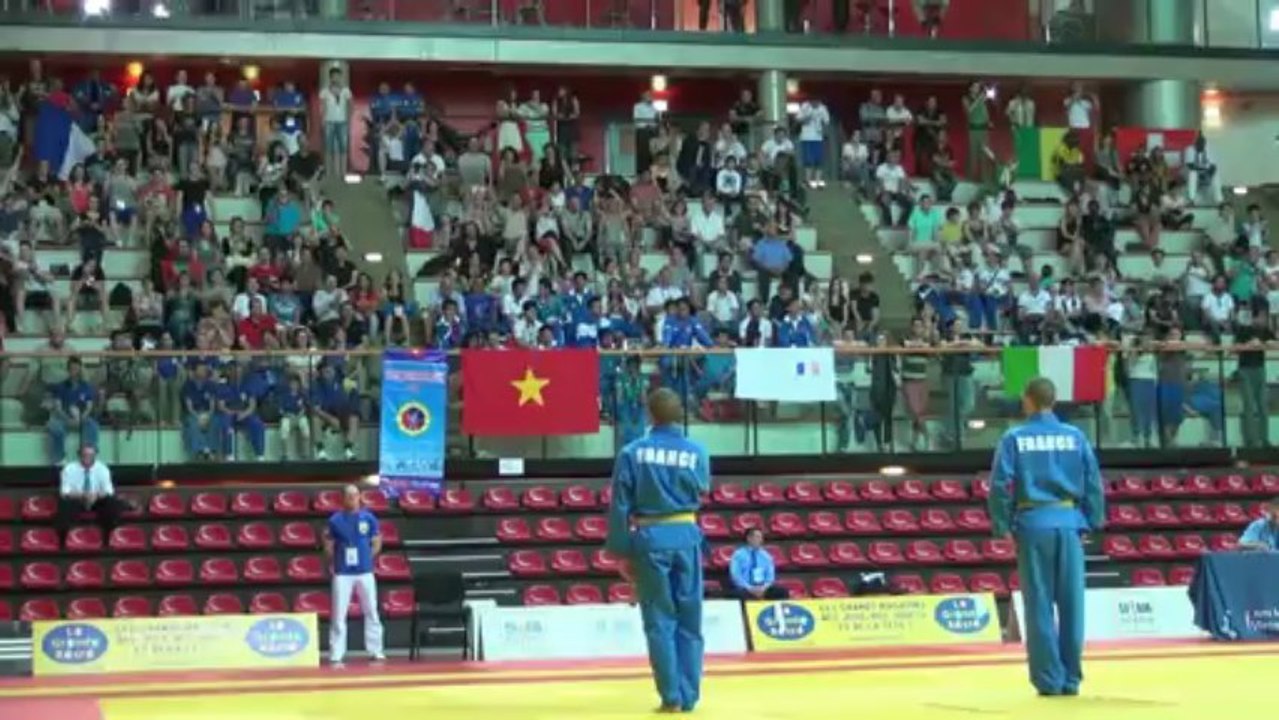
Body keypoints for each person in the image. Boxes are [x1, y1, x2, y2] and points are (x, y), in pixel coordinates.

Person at [988, 377, 1104, 698]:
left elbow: (999, 485)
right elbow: (1093, 482)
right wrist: (1090, 522)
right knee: (1072, 603)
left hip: (1032, 521)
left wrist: (1003, 525)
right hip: (1068, 521)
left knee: (1039, 604)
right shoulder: (1076, 436)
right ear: (1053, 401)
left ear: (1028, 400)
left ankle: (1048, 679)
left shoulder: (1014, 437)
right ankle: (1071, 678)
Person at [606, 388, 710, 714]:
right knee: (690, 620)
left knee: (660, 620)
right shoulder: (697, 451)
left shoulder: (632, 452)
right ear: (679, 414)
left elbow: (620, 504)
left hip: (651, 536)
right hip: (687, 533)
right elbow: (703, 490)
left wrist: (621, 552)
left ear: (649, 415)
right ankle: (690, 694)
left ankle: (672, 697)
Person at [324, 484, 386, 667]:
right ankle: (336, 652)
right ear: (342, 498)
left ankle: (376, 650)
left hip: (365, 572)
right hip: (343, 573)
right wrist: (335, 561)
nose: (352, 498)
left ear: (360, 497)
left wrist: (367, 557)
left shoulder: (369, 518)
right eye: (348, 495)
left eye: (355, 495)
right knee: (339, 613)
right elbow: (328, 543)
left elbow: (377, 542)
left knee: (372, 611)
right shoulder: (335, 520)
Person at [55, 445, 127, 543]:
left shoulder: (102, 469)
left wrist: (96, 495)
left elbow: (109, 491)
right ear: (79, 455)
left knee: (112, 502)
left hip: (96, 500)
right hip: (77, 500)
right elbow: (64, 492)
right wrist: (83, 495)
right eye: (84, 455)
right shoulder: (69, 469)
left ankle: (109, 537)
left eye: (91, 455)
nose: (87, 457)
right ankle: (63, 539)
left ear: (95, 456)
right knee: (64, 504)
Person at [728, 527, 789, 601]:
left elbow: (770, 577)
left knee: (781, 592)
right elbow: (736, 576)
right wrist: (750, 588)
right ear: (749, 538)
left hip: (763, 588)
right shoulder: (738, 555)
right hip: (746, 588)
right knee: (737, 594)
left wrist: (763, 588)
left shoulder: (766, 556)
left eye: (761, 537)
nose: (760, 540)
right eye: (757, 537)